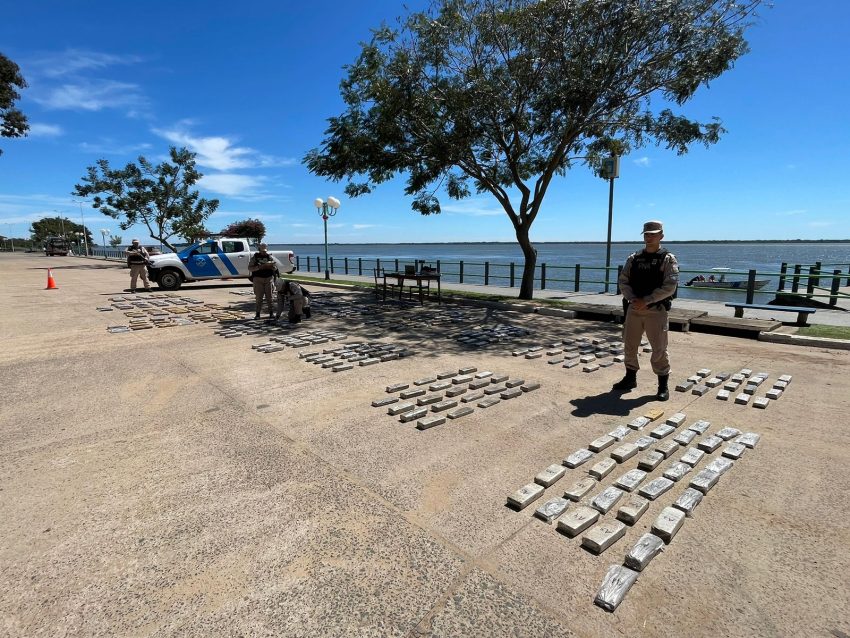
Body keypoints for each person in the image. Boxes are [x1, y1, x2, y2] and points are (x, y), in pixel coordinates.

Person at [612, 220, 679, 401]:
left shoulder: (667, 259)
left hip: (656, 310)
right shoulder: (633, 258)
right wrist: (633, 298)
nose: (649, 237)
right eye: (647, 234)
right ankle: (630, 378)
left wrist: (648, 300)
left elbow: (670, 286)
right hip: (634, 308)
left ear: (661, 236)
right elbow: (623, 280)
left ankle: (663, 386)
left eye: (653, 234)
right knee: (630, 345)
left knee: (659, 349)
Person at [249, 243, 277, 320]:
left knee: (270, 297)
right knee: (259, 297)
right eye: (262, 251)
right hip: (258, 279)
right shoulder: (254, 258)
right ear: (259, 250)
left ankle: (271, 313)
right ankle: (257, 314)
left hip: (268, 278)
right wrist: (258, 267)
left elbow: (275, 268)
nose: (264, 252)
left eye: (265, 251)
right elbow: (250, 268)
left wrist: (272, 266)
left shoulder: (269, 257)